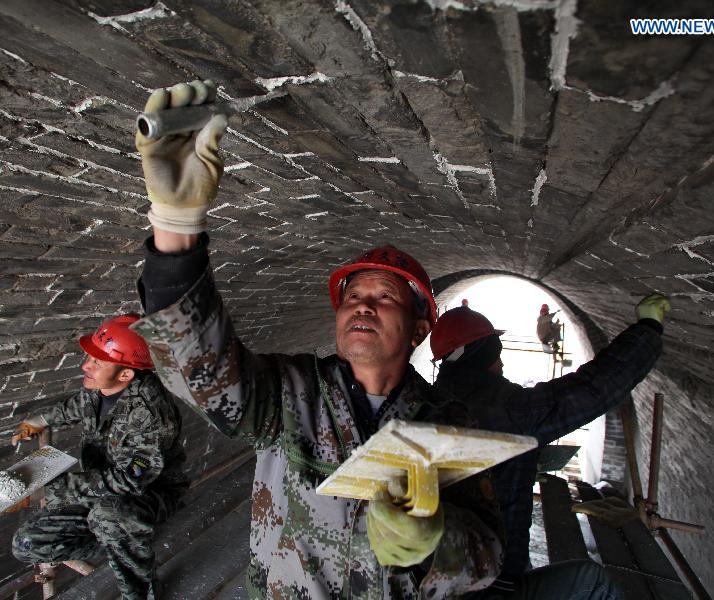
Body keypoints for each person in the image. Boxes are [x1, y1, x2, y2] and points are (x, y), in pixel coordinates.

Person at [129, 80, 504, 598]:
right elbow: (202, 372)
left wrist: (434, 542)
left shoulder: (447, 424)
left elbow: (489, 556)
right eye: (352, 297)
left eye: (385, 297)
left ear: (421, 327)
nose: (362, 305)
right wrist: (176, 229)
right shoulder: (290, 393)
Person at [431, 294, 671, 598]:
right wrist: (648, 328)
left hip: (449, 578)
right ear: (481, 355)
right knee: (592, 582)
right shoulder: (508, 409)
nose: (502, 362)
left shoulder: (433, 401)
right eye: (496, 353)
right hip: (489, 586)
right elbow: (594, 388)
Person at [9, 314, 187, 600]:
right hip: (99, 490)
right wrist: (39, 419)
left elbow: (130, 481)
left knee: (111, 516)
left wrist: (48, 488)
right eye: (89, 358)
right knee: (27, 544)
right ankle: (117, 541)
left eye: (97, 362)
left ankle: (141, 591)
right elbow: (78, 405)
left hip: (147, 495)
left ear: (126, 374)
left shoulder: (151, 415)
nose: (85, 366)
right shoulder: (104, 388)